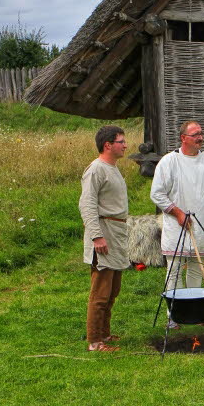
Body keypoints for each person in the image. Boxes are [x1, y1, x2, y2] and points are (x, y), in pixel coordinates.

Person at [150, 120, 204, 326]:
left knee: (195, 267)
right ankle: (173, 316)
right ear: (183, 138)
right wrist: (177, 213)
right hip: (178, 226)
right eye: (195, 134)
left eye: (201, 133)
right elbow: (157, 194)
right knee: (174, 268)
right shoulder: (169, 162)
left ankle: (195, 312)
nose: (200, 138)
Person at [79, 125, 129, 352]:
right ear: (108, 145)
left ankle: (105, 334)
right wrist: (97, 236)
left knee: (113, 289)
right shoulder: (96, 169)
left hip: (116, 232)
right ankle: (95, 341)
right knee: (101, 291)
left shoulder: (112, 168)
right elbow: (87, 204)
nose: (125, 145)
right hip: (104, 231)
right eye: (121, 141)